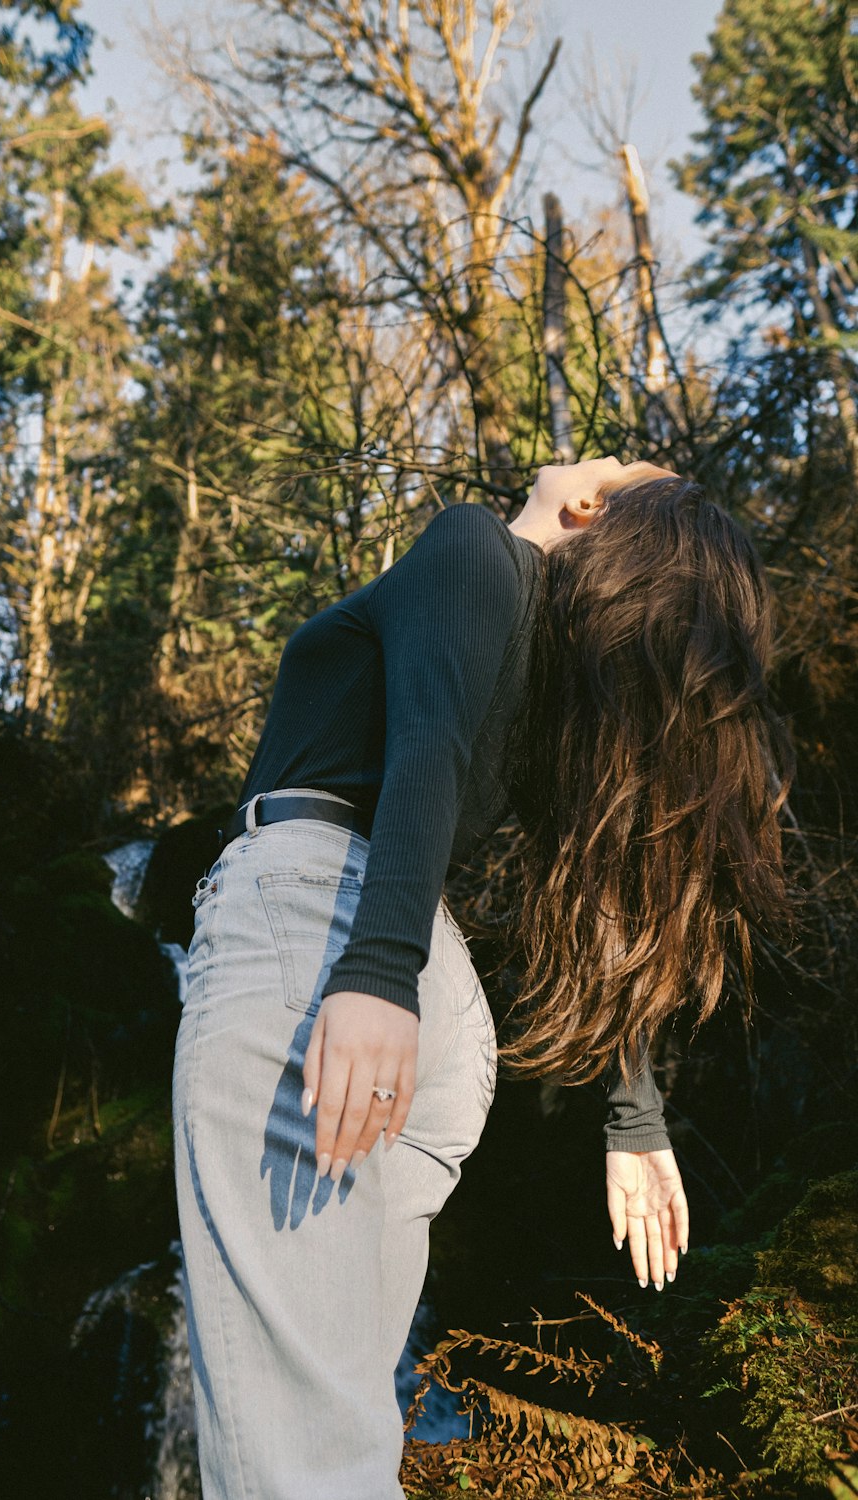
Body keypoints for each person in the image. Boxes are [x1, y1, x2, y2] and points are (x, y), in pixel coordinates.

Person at [172, 457, 791, 1500]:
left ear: (591, 507)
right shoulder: (552, 674)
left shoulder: (473, 546)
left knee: (294, 1460)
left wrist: (373, 975)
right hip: (426, 1004)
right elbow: (597, 884)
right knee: (341, 1436)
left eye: (612, 459)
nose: (585, 452)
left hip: (335, 954)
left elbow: (426, 747)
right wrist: (632, 1117)